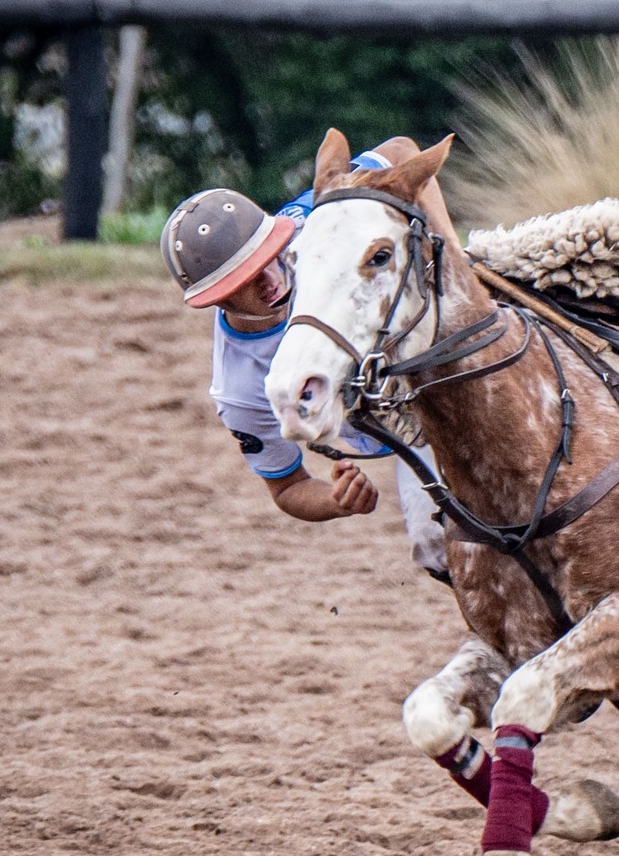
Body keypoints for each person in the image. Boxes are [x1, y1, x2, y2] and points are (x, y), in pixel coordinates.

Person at [159, 142, 450, 581]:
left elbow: (400, 152)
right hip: (413, 432)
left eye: (269, 254)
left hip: (449, 346)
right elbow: (288, 487)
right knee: (434, 549)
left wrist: (458, 265)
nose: (270, 277)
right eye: (244, 279)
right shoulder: (239, 387)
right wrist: (336, 501)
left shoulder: (311, 221)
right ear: (214, 299)